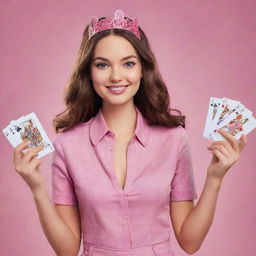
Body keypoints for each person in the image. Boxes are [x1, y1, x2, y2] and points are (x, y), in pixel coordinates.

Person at [13, 9, 247, 256]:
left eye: (128, 63)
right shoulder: (67, 145)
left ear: (143, 68)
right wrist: (37, 188)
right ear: (88, 72)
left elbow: (190, 243)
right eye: (102, 65)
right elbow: (67, 250)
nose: (116, 76)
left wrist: (215, 178)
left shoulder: (174, 139)